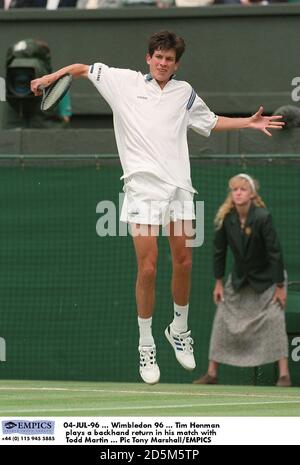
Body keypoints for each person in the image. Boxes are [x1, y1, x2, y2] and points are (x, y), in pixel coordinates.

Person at [30, 31, 284, 385]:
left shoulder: (184, 93)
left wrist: (249, 122)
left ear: (176, 64)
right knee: (147, 268)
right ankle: (146, 341)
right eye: (158, 57)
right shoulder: (122, 82)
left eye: (170, 59)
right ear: (148, 58)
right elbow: (80, 68)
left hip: (179, 188)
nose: (163, 63)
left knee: (184, 261)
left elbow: (209, 122)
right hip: (141, 189)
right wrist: (49, 76)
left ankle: (178, 328)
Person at [193, 174, 291, 387]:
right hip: (239, 280)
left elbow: (275, 252)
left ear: (252, 194)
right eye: (235, 189)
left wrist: (280, 287)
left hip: (268, 280)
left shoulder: (263, 217)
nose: (238, 193)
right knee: (221, 319)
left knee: (275, 320)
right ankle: (211, 373)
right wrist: (218, 282)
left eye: (243, 189)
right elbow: (219, 252)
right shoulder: (226, 220)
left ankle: (284, 375)